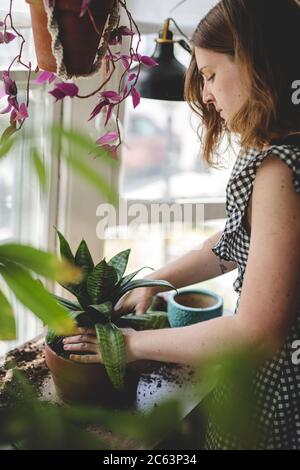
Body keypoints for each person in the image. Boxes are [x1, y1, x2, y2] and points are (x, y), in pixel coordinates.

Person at [63, 0, 300, 449]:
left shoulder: (279, 167)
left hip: (276, 402)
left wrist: (130, 347)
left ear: (255, 63)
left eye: (211, 75)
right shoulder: (288, 152)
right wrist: (159, 279)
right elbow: (237, 242)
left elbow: (256, 333)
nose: (207, 94)